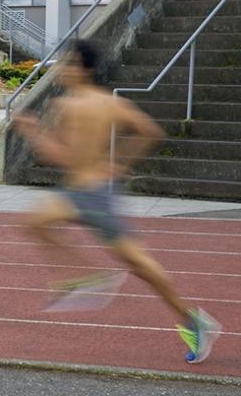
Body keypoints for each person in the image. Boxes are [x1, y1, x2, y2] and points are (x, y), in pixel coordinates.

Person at [12, 39, 219, 364]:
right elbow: (150, 131)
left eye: (68, 64)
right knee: (39, 224)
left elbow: (60, 156)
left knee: (140, 265)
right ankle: (187, 317)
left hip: (87, 196)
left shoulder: (68, 107)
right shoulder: (109, 103)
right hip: (91, 192)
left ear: (83, 69)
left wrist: (32, 131)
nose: (62, 70)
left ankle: (187, 317)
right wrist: (120, 162)